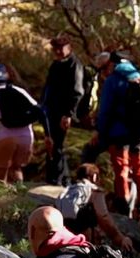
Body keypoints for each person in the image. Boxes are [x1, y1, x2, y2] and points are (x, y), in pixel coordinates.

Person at [93, 52, 140, 217]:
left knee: (121, 170)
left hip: (119, 133)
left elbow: (105, 111)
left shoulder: (113, 81)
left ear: (110, 65)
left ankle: (123, 206)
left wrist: (101, 133)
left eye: (102, 70)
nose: (102, 74)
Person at [0, 63, 52, 184]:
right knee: (17, 169)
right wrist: (48, 136)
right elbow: (40, 111)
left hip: (5, 137)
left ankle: (0, 196)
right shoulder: (18, 90)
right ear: (6, 75)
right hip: (26, 137)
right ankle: (19, 194)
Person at [57, 163, 134, 252]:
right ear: (94, 177)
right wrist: (120, 238)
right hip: (85, 240)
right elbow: (103, 217)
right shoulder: (94, 191)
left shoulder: (66, 191)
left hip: (65, 238)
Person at [42, 36, 85, 186]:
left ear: (69, 48)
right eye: (56, 49)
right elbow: (48, 88)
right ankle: (56, 177)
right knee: (52, 144)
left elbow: (77, 91)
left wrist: (68, 114)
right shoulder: (56, 65)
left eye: (61, 48)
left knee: (57, 144)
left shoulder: (75, 65)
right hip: (50, 111)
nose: (58, 51)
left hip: (62, 113)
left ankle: (60, 179)